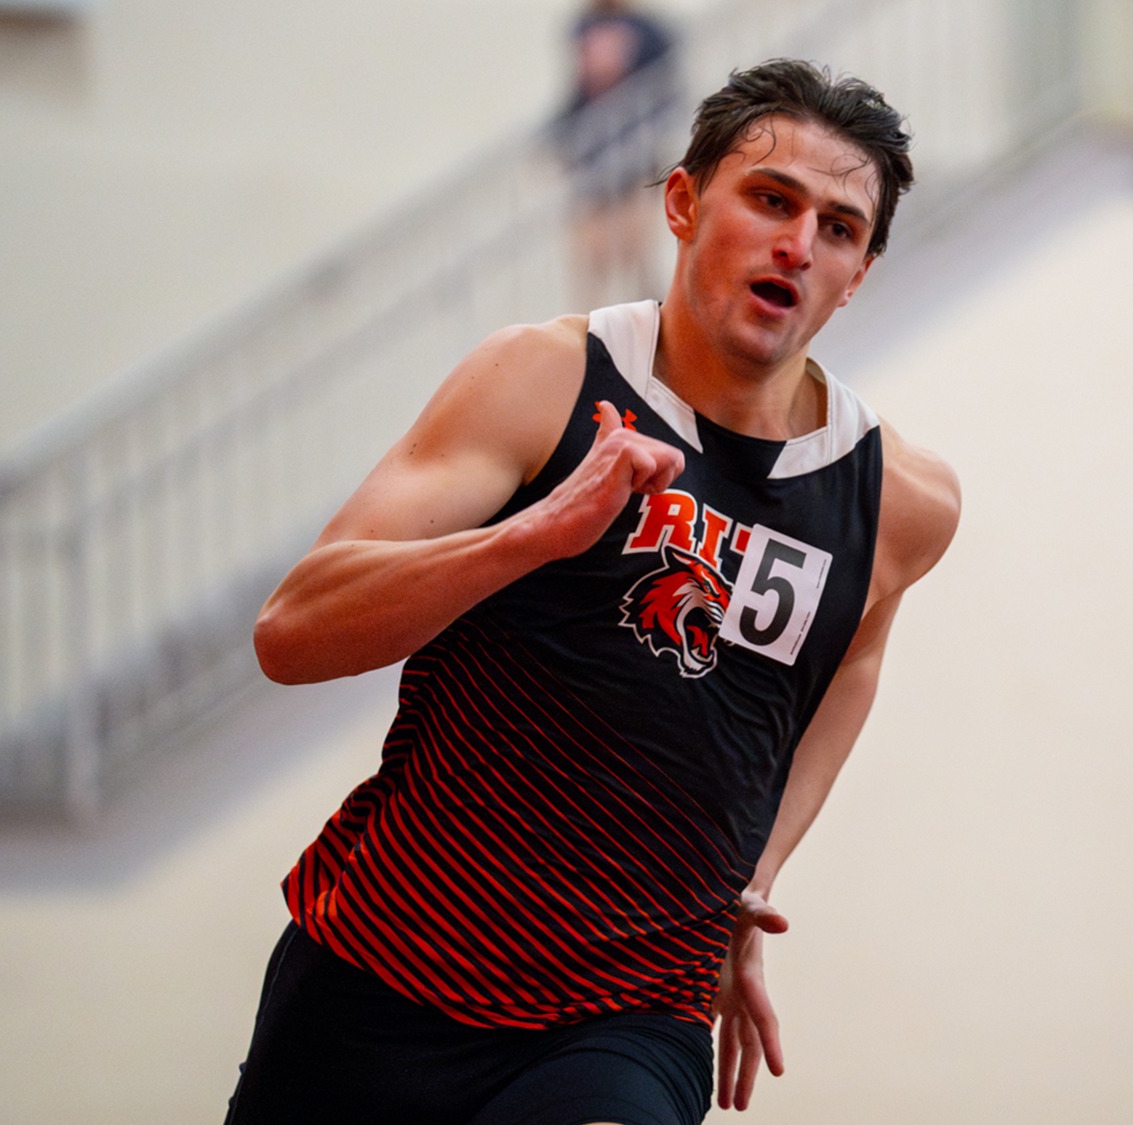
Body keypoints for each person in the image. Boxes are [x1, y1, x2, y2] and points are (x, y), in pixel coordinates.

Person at [225, 59, 958, 1125]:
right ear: (681, 203)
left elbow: (841, 672)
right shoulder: (542, 380)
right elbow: (292, 632)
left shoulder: (901, 501)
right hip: (382, 965)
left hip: (626, 1013)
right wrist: (532, 536)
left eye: (839, 228)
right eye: (770, 200)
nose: (798, 244)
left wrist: (748, 890)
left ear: (859, 274)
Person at [556, 0, 678, 307]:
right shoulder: (583, 28)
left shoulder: (651, 33)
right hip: (593, 172)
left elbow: (667, 91)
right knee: (591, 270)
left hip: (636, 169)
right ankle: (591, 341)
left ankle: (656, 334)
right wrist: (556, 139)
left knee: (640, 259)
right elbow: (577, 96)